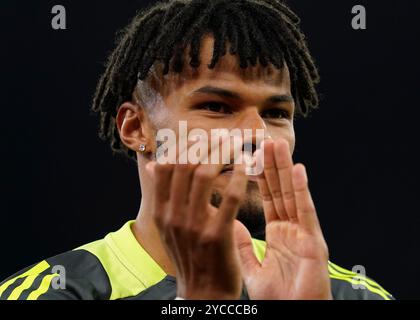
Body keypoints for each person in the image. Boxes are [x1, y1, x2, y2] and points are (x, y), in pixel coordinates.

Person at [0, 0, 393, 300]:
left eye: (276, 112)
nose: (258, 134)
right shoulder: (53, 290)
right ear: (136, 128)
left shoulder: (350, 292)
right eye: (217, 107)